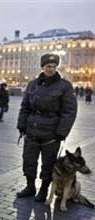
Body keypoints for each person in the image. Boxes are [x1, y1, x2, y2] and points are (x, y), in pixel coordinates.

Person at [17, 53, 77, 202]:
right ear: (42, 67)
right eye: (48, 66)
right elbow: (24, 107)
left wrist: (62, 132)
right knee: (29, 160)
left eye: (54, 66)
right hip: (31, 130)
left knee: (48, 164)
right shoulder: (32, 84)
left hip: (51, 134)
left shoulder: (64, 86)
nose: (51, 69)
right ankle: (30, 186)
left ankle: (43, 190)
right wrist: (22, 124)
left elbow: (69, 111)